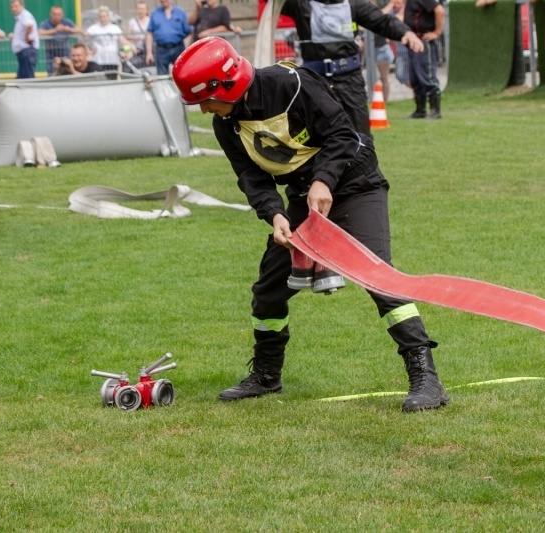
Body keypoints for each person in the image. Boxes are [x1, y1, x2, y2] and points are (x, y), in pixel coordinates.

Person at [171, 37, 451, 413]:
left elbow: (342, 133)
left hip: (355, 184)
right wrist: (276, 215)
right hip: (304, 197)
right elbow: (251, 178)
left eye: (204, 99)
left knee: (378, 277)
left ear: (227, 83)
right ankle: (267, 375)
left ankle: (426, 378)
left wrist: (324, 180)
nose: (203, 109)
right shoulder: (226, 124)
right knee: (269, 288)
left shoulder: (291, 84)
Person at [280, 0, 424, 136]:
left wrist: (406, 32)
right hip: (315, 83)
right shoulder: (300, 4)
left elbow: (382, 21)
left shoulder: (353, 3)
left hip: (350, 82)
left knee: (361, 139)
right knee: (317, 140)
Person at [404, 0, 444, 118]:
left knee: (427, 76)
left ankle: (435, 110)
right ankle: (420, 110)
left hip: (423, 41)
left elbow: (440, 11)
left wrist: (437, 32)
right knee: (415, 78)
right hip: (412, 41)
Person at [145, 0, 192, 75]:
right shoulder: (155, 13)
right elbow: (149, 33)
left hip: (178, 48)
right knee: (162, 77)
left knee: (182, 74)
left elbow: (189, 31)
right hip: (161, 50)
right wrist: (149, 53)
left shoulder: (180, 12)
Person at [39, 5, 83, 75]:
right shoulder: (46, 24)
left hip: (65, 55)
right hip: (51, 57)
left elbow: (80, 30)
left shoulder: (66, 22)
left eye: (59, 14)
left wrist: (69, 29)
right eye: (54, 14)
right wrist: (54, 30)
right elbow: (39, 32)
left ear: (62, 15)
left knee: (67, 74)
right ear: (51, 14)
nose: (57, 17)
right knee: (52, 75)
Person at [86, 6, 131, 75]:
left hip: (112, 60)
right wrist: (89, 51)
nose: (103, 18)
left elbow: (122, 40)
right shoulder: (93, 28)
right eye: (101, 16)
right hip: (98, 61)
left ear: (108, 16)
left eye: (104, 16)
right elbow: (84, 40)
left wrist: (131, 46)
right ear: (98, 17)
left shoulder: (115, 28)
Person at [9, 0, 39, 79]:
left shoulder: (24, 15)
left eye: (16, 6)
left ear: (22, 6)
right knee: (21, 79)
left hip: (26, 52)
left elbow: (29, 25)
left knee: (28, 79)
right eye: (12, 7)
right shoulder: (20, 18)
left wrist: (26, 37)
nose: (13, 9)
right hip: (23, 53)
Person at [127, 1, 151, 69]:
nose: (141, 11)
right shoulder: (132, 21)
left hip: (149, 50)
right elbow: (127, 35)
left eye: (142, 9)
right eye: (139, 9)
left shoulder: (150, 21)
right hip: (137, 50)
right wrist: (137, 38)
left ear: (147, 10)